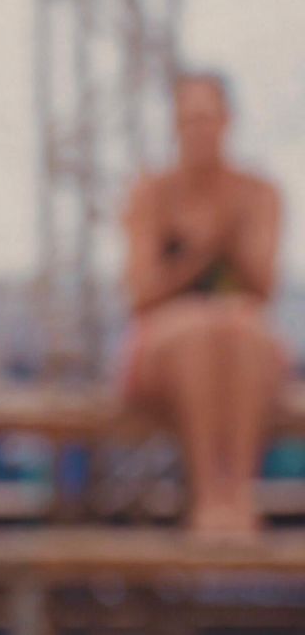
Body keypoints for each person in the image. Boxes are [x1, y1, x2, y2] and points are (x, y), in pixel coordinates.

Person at [121, 71, 288, 536]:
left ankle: (237, 494)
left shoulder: (258, 193)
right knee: (199, 328)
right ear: (175, 126)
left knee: (234, 327)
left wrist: (232, 241)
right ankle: (211, 495)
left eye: (207, 118)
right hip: (164, 348)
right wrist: (203, 251)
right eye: (190, 120)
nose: (200, 130)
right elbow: (141, 294)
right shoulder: (151, 194)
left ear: (227, 121)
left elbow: (263, 290)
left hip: (238, 342)